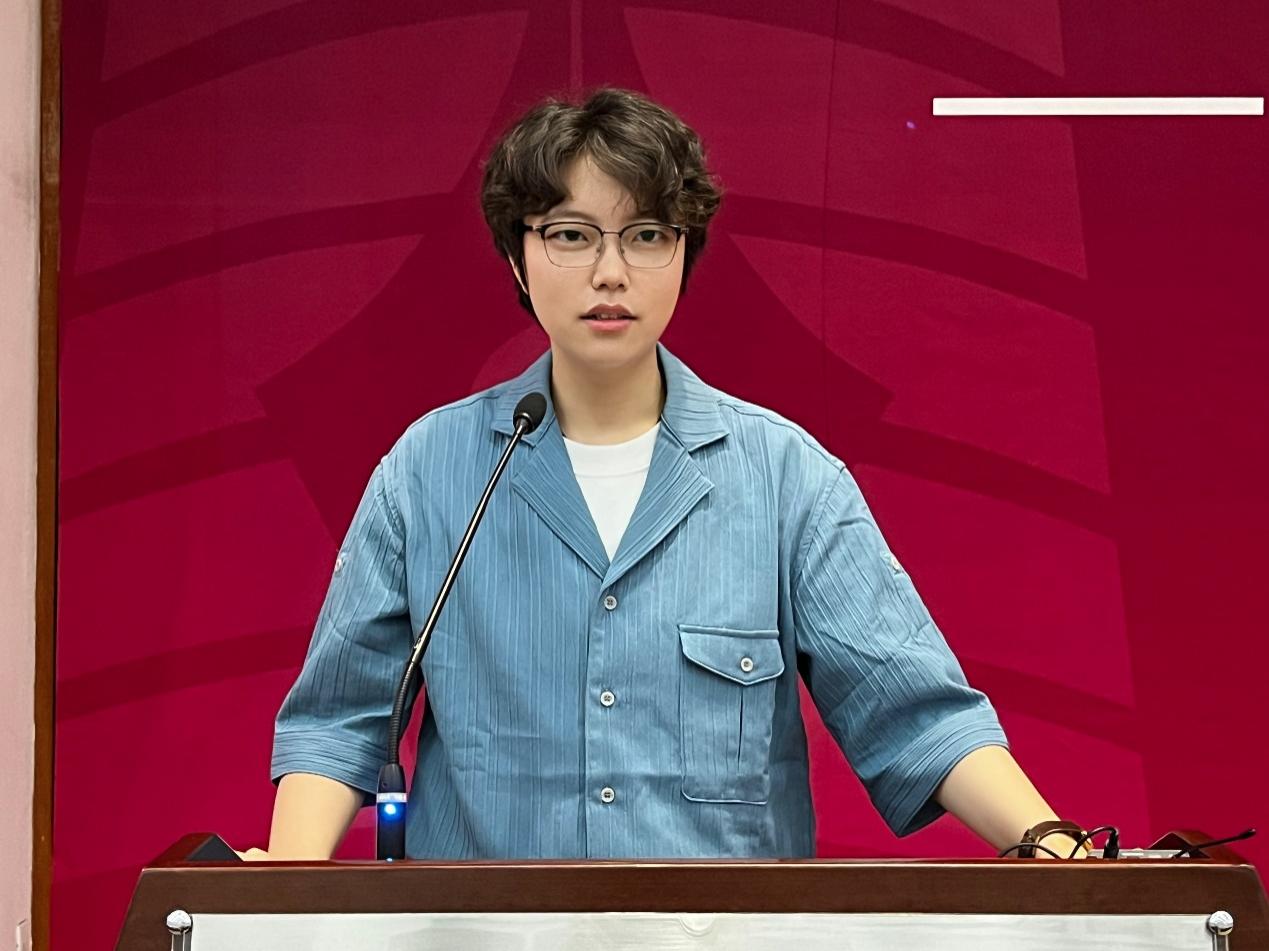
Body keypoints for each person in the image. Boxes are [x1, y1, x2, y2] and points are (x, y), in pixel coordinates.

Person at [244, 88, 1084, 862]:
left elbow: (914, 713)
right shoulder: (428, 471)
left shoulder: (785, 477)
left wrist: (1055, 848)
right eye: (571, 235)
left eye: (646, 235)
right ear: (516, 256)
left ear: (684, 253)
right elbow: (339, 722)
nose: (610, 272)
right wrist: (283, 891)